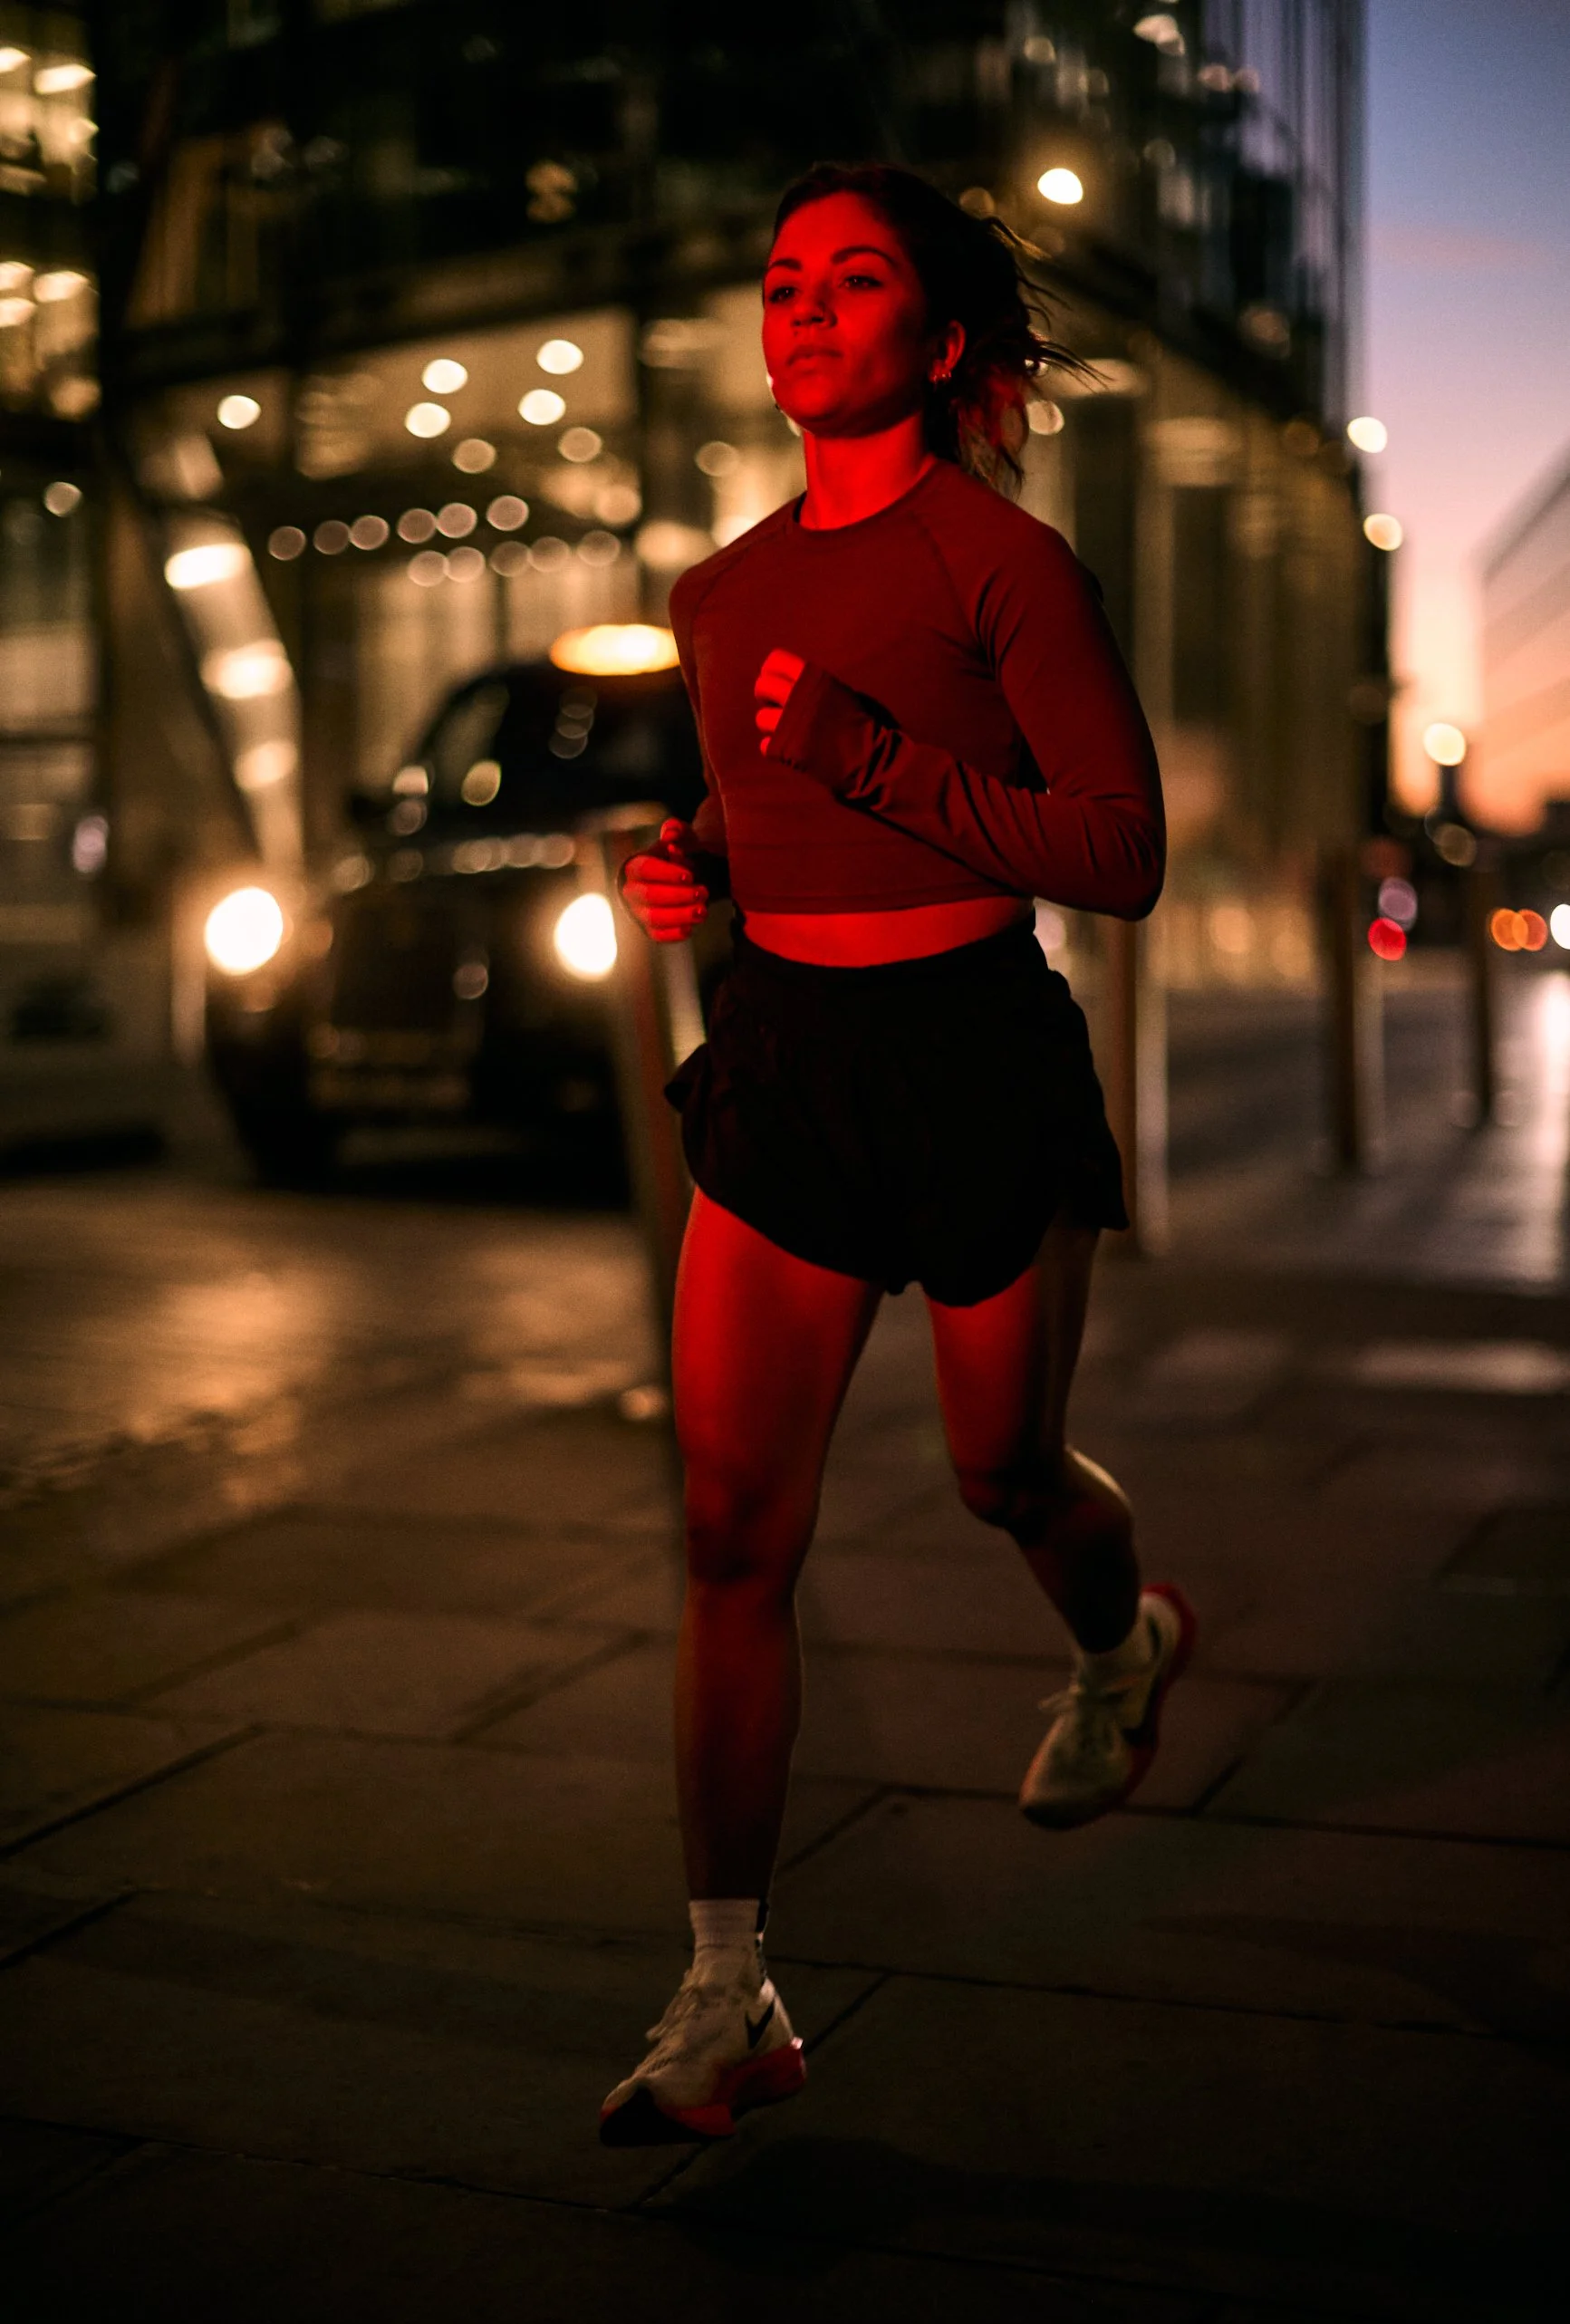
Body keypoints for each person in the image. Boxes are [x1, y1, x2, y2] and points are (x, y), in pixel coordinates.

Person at [600, 163, 1193, 2148]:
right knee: (724, 1530)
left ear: (937, 346)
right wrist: (700, 858)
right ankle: (723, 1988)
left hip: (970, 1062)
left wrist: (879, 769)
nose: (804, 306)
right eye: (782, 279)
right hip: (782, 1063)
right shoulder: (719, 590)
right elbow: (751, 786)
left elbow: (1116, 849)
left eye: (853, 281)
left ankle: (1120, 1637)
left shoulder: (1003, 568)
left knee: (993, 1472)